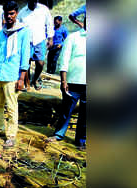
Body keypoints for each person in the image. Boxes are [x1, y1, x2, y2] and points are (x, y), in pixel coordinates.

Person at [0, 1, 31, 148]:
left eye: (12, 13)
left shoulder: (23, 31)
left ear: (16, 14)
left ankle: (11, 136)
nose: (9, 16)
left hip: (12, 75)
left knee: (12, 107)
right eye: (7, 14)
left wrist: (22, 78)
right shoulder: (1, 33)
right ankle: (0, 129)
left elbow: (25, 55)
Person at [45, 17, 86, 150]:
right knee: (66, 110)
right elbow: (64, 59)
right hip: (73, 81)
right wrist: (63, 80)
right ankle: (59, 134)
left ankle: (81, 140)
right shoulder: (73, 37)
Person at [17, 0, 54, 90]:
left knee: (40, 63)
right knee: (26, 63)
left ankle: (35, 79)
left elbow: (49, 24)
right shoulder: (22, 12)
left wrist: (50, 38)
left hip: (40, 39)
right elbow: (17, 27)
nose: (34, 2)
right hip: (26, 41)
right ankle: (27, 82)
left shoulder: (44, 9)